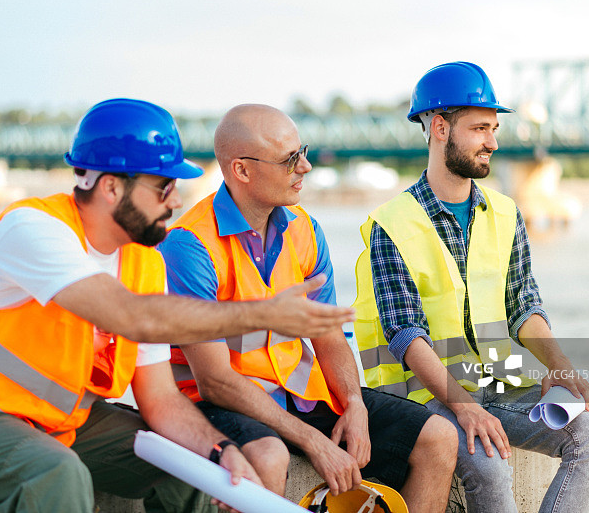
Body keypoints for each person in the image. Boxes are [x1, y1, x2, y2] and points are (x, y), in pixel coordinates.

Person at [0, 98, 356, 513]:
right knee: (57, 476)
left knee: (194, 470)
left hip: (57, 420)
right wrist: (265, 314)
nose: (175, 201)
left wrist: (220, 452)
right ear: (112, 187)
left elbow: (160, 399)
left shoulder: (142, 261)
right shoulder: (34, 231)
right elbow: (130, 316)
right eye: (162, 187)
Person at [157, 104, 458, 513]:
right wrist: (313, 441)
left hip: (300, 396)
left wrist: (352, 402)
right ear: (242, 170)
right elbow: (214, 381)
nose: (306, 166)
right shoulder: (189, 246)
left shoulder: (304, 229)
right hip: (220, 403)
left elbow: (329, 335)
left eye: (303, 151)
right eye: (289, 160)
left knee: (438, 437)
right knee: (269, 456)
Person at [354, 62, 589, 512]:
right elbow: (404, 335)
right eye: (478, 128)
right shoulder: (391, 225)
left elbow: (523, 303)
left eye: (493, 128)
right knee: (491, 466)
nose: (492, 141)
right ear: (439, 128)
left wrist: (559, 363)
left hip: (496, 385)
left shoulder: (506, 212)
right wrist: (464, 407)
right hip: (425, 397)